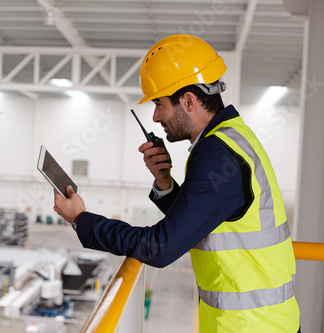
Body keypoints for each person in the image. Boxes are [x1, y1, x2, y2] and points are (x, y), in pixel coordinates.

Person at [52, 34, 300, 332]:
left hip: (248, 327)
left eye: (159, 104)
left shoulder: (215, 155)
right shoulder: (233, 136)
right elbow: (202, 221)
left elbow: (160, 247)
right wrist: (165, 181)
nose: (156, 116)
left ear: (189, 100)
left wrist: (81, 219)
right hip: (266, 323)